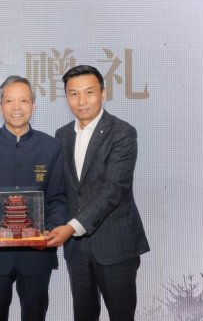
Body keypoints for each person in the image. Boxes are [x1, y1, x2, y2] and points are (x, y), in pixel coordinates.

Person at [46, 65, 150, 321]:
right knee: (83, 315)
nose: (81, 101)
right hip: (77, 249)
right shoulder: (62, 135)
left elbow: (113, 189)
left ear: (103, 93)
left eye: (89, 92)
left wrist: (70, 227)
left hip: (116, 245)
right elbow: (61, 189)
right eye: (73, 94)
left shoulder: (123, 133)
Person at [0, 75, 67, 321]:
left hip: (37, 254)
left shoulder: (50, 146)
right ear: (0, 106)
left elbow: (58, 197)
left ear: (34, 105)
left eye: (24, 100)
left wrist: (49, 229)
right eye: (9, 100)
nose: (17, 107)